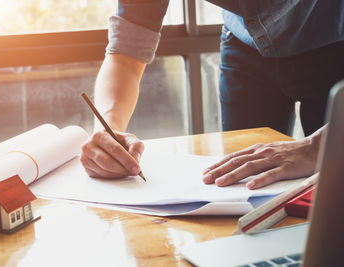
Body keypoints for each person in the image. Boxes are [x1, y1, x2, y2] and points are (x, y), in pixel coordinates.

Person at [80, 0, 344, 189]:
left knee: (332, 187)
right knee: (240, 185)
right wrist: (109, 128)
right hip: (245, 43)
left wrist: (317, 147)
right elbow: (126, 52)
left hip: (336, 42)